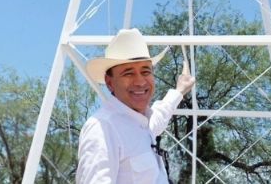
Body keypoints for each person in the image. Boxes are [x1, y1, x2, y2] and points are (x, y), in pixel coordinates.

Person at [76, 28, 195, 183]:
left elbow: (161, 113)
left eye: (145, 72)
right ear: (110, 82)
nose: (140, 81)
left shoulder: (143, 123)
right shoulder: (103, 128)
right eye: (128, 73)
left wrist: (180, 90)